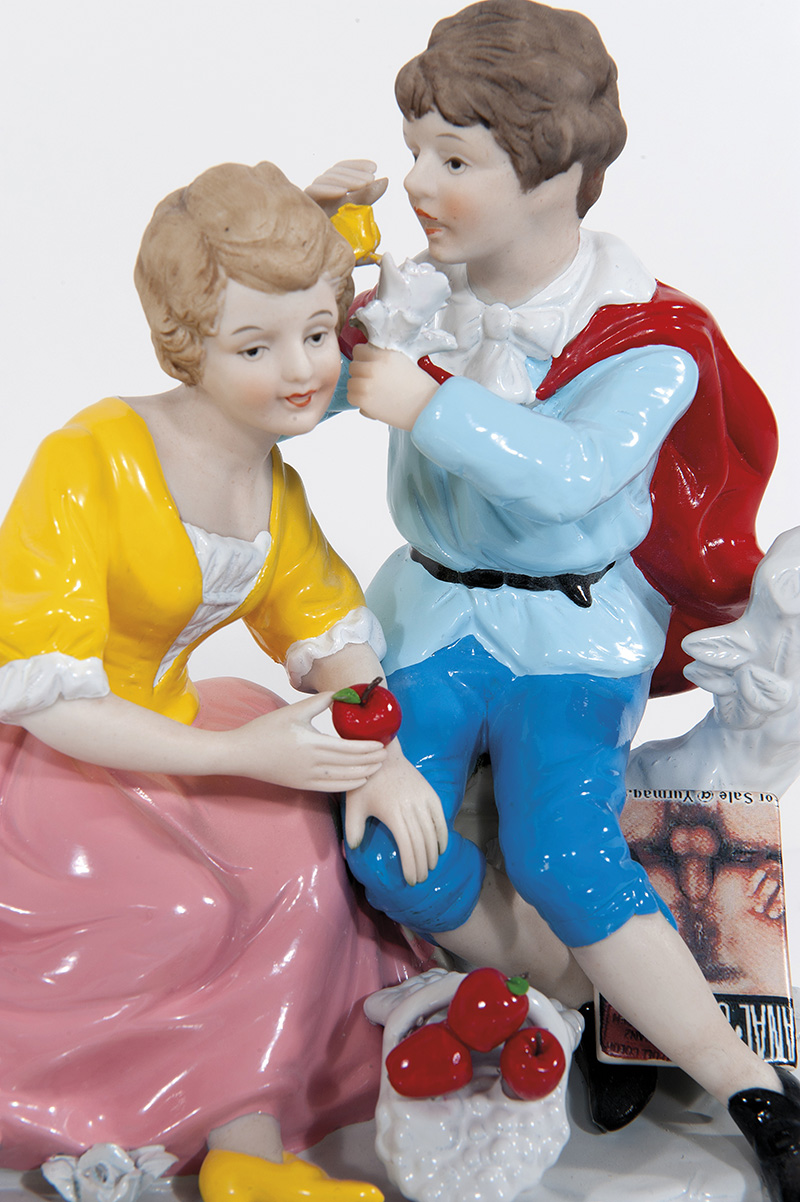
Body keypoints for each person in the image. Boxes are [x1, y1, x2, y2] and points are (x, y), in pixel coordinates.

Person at [316, 3, 798, 1197]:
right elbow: (301, 379)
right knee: (388, 848)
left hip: (567, 635)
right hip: (432, 618)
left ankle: (742, 1078)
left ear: (557, 172)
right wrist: (313, 260)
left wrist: (427, 403)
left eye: (454, 159)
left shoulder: (647, 338)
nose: (418, 183)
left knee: (563, 852)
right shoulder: (422, 296)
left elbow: (570, 475)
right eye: (415, 150)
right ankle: (588, 1002)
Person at [0, 160, 447, 1202]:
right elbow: (44, 688)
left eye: (317, 333)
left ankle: (252, 1139)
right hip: (68, 758)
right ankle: (204, 1126)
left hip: (190, 734)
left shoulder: (269, 482)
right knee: (184, 908)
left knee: (312, 865)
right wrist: (239, 752)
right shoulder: (89, 457)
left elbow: (323, 623)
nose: (300, 370)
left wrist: (375, 752)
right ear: (186, 345)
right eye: (254, 346)